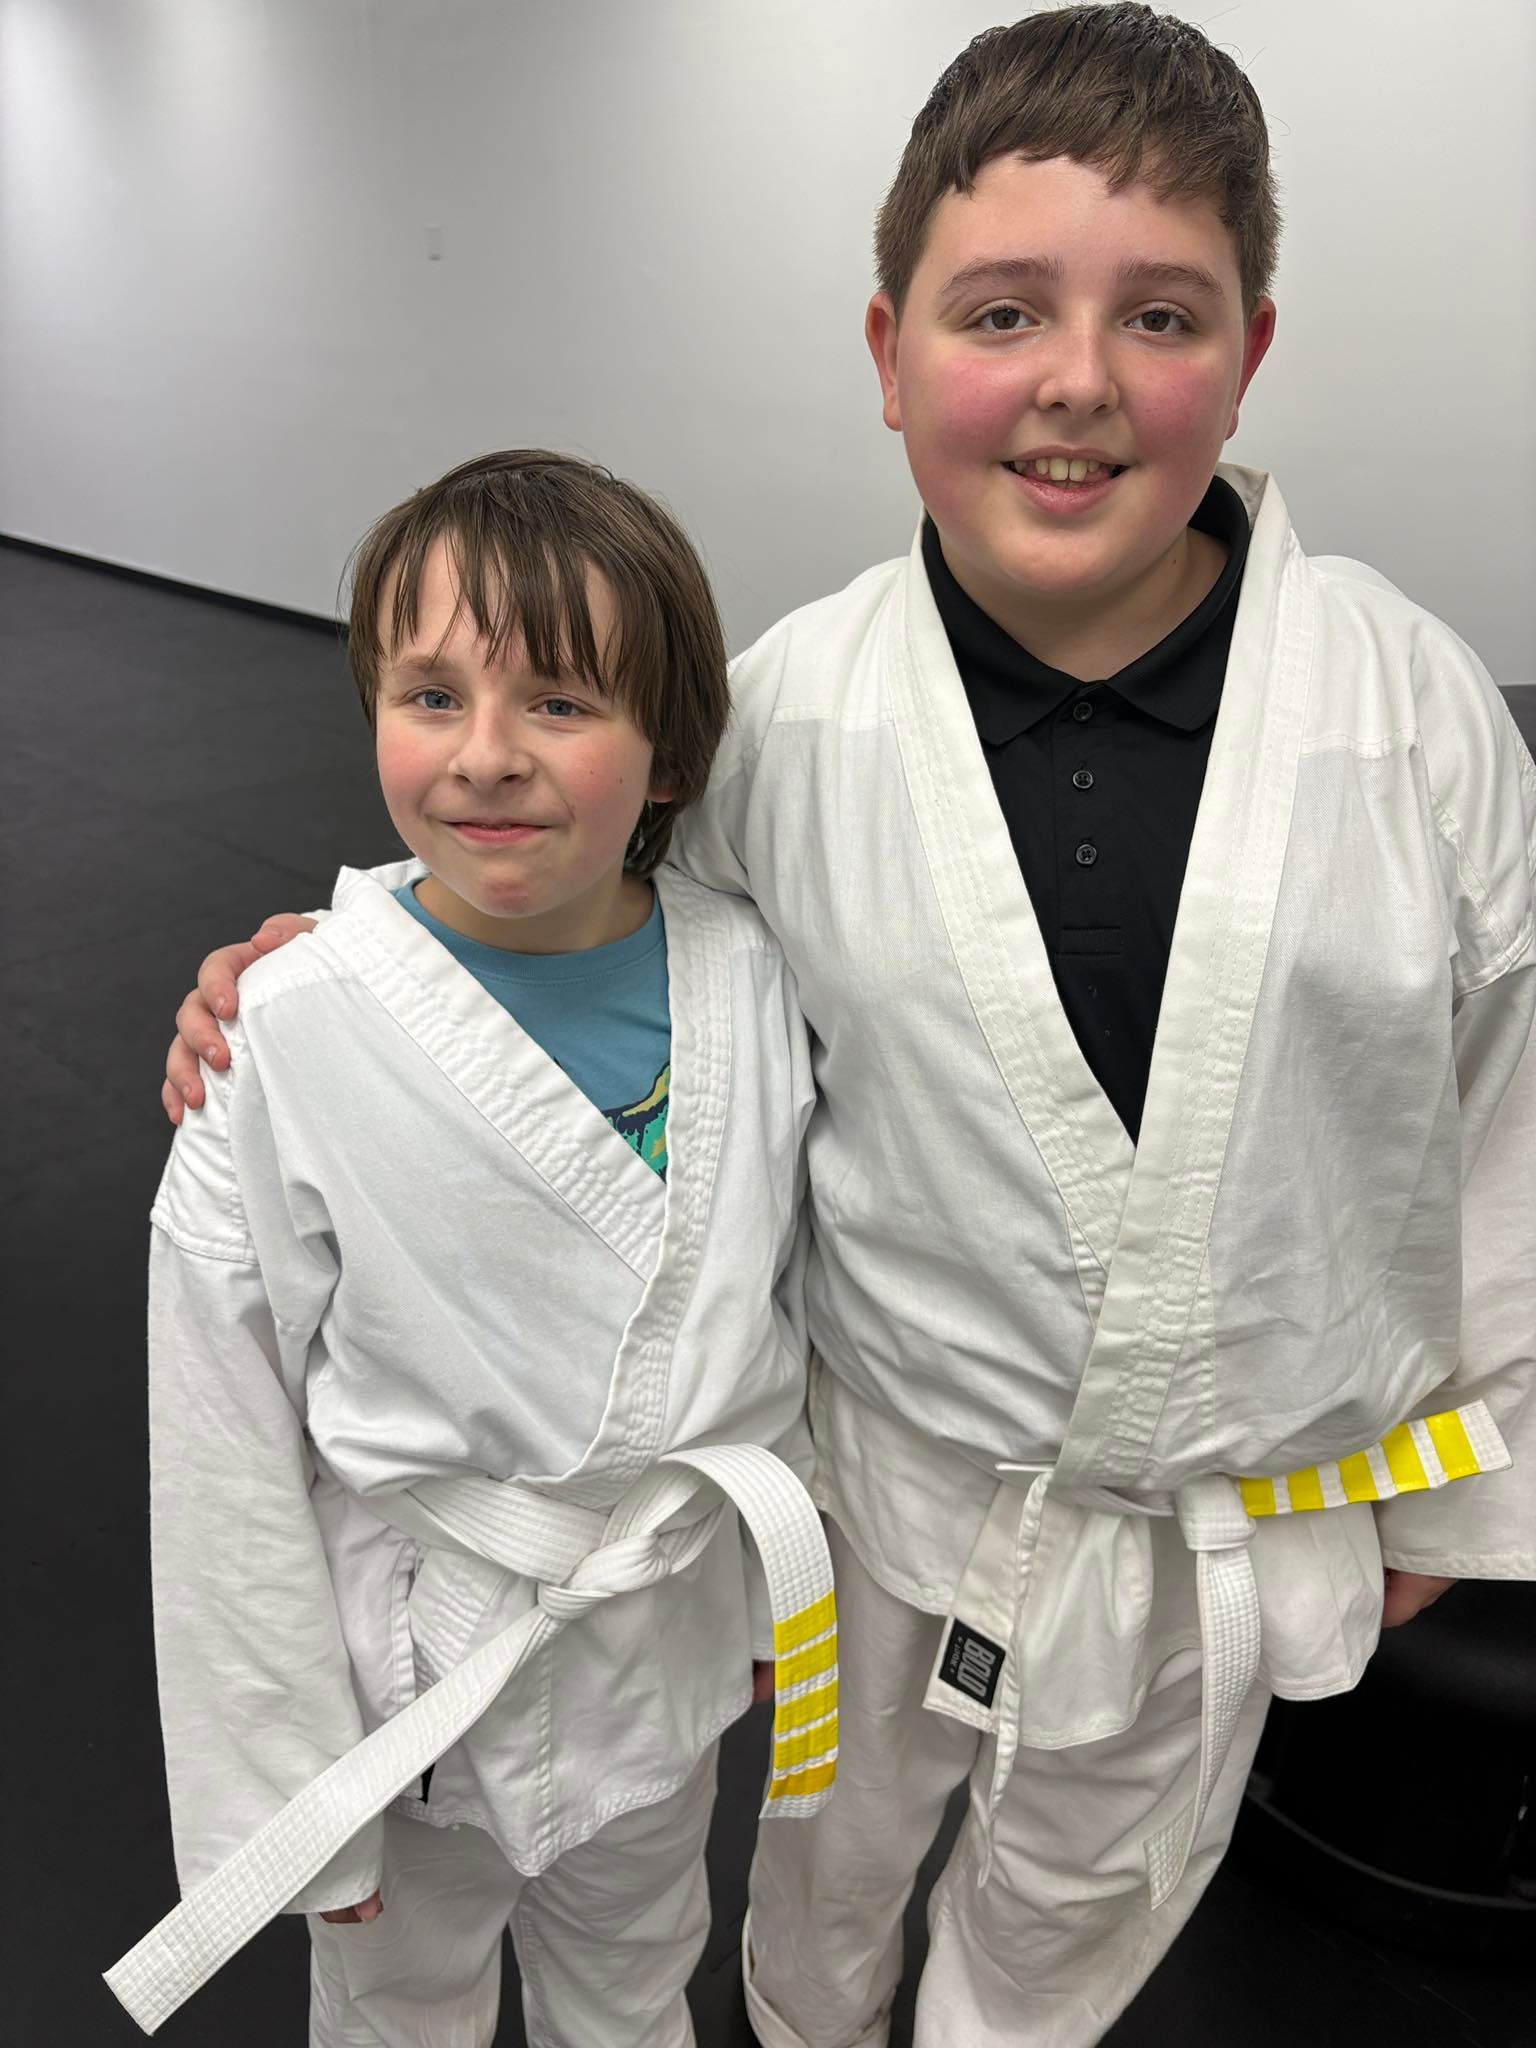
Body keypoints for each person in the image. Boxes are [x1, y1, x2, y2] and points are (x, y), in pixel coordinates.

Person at [163, 9, 1536, 2045]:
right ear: (890, 355)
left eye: (1160, 315)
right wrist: (339, 975)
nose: (1077, 380)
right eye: (1003, 312)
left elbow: (1496, 1111)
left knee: (1062, 1934)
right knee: (816, 1897)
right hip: (881, 1477)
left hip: (1205, 1524)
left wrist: (1462, 1493)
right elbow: (588, 943)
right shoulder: (786, 720)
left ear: (1248, 349)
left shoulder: (1415, 714)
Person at [111, 449, 839, 2047]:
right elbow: (220, 1438)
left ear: (665, 757)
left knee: (639, 1988)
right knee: (395, 2013)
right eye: (431, 696)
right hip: (411, 1674)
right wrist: (297, 1794)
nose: (487, 760)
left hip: (652, 1639)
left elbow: (806, 1291)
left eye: (563, 704)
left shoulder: (756, 978)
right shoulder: (286, 1030)